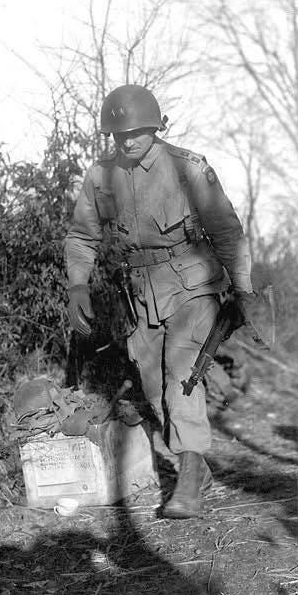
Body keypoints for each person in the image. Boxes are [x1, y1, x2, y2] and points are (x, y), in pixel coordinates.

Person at [64, 84, 254, 518]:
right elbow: (82, 235)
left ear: (156, 127)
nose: (128, 141)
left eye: (137, 132)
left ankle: (188, 474)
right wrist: (78, 284)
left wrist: (243, 289)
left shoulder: (187, 167)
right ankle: (196, 462)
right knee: (152, 383)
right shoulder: (100, 176)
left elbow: (226, 230)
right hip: (141, 291)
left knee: (182, 373)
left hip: (192, 283)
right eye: (118, 135)